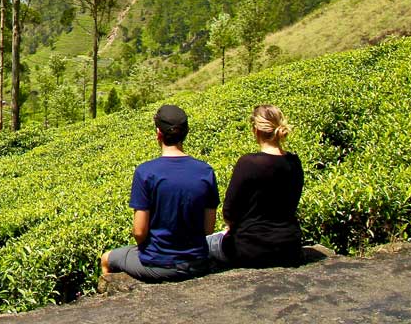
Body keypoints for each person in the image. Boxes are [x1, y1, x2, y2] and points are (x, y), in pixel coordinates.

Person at [101, 104, 219, 282]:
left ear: (158, 133)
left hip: (157, 264)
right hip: (197, 262)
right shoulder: (205, 171)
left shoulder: (146, 172)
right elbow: (208, 229)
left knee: (107, 259)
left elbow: (139, 232)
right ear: (186, 133)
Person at [208, 104, 304, 268]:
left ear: (256, 130)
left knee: (204, 244)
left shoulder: (248, 163)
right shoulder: (294, 162)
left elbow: (229, 211)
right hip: (289, 246)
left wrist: (231, 227)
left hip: (250, 248)